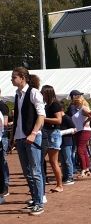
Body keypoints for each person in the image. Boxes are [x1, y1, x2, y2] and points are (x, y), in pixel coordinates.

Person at [11, 67, 46, 215]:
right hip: (20, 137)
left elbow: (41, 116)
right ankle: (34, 198)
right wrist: (14, 136)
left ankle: (39, 202)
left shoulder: (33, 92)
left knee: (35, 170)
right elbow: (18, 118)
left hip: (31, 136)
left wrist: (33, 133)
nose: (12, 80)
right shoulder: (17, 95)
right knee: (27, 172)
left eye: (14, 77)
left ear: (22, 78)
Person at [41, 85, 64, 193]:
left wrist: (43, 119)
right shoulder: (48, 105)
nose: (42, 95)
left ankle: (59, 185)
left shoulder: (54, 104)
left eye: (43, 93)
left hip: (53, 133)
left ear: (48, 93)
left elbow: (59, 120)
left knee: (53, 161)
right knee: (46, 160)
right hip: (48, 133)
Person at [71, 93, 91, 178]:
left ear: (79, 102)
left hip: (84, 131)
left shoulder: (83, 108)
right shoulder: (80, 109)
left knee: (80, 150)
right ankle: (86, 169)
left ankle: (83, 170)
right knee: (83, 150)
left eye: (75, 103)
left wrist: (85, 122)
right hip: (80, 131)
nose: (74, 104)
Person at [0, 88, 10, 198]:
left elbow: (5, 123)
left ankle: (5, 186)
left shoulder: (2, 105)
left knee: (2, 161)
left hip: (2, 136)